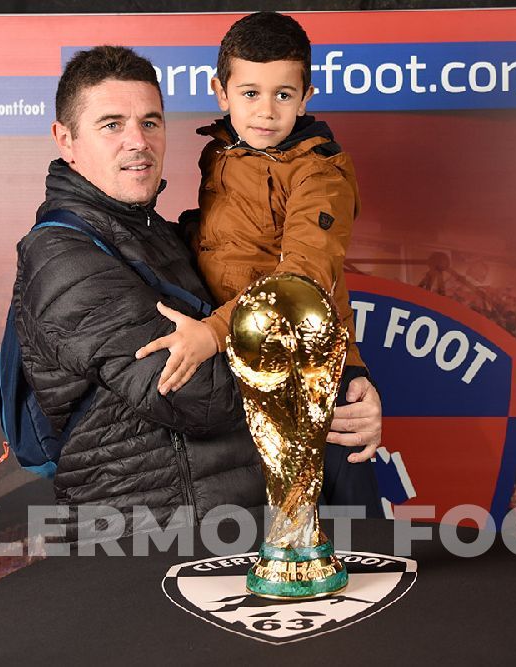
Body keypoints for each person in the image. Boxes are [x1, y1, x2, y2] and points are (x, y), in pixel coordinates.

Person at [12, 45, 383, 540]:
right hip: (145, 543)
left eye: (150, 122)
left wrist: (352, 381)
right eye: (111, 125)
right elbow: (198, 395)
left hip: (221, 530)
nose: (137, 142)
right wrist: (326, 389)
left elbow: (300, 289)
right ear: (65, 140)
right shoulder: (62, 259)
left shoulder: (166, 236)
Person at [135, 12, 383, 516]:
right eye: (250, 93)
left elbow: (304, 281)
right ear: (221, 93)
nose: (266, 112)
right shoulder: (223, 150)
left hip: (307, 370)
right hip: (245, 374)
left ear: (306, 96)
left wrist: (213, 332)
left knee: (350, 535)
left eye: (283, 95)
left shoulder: (320, 170)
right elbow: (228, 240)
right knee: (261, 535)